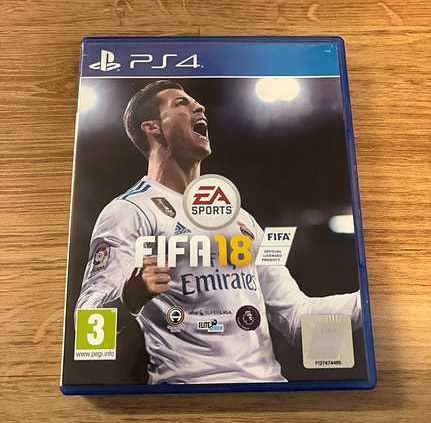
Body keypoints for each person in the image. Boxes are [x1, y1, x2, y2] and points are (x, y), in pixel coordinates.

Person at [76, 80, 362, 385]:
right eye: (182, 103)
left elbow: (297, 319)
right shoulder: (129, 211)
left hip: (268, 392)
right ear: (152, 127)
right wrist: (128, 297)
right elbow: (87, 324)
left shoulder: (241, 219)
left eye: (196, 102)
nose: (199, 106)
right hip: (188, 393)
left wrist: (369, 303)